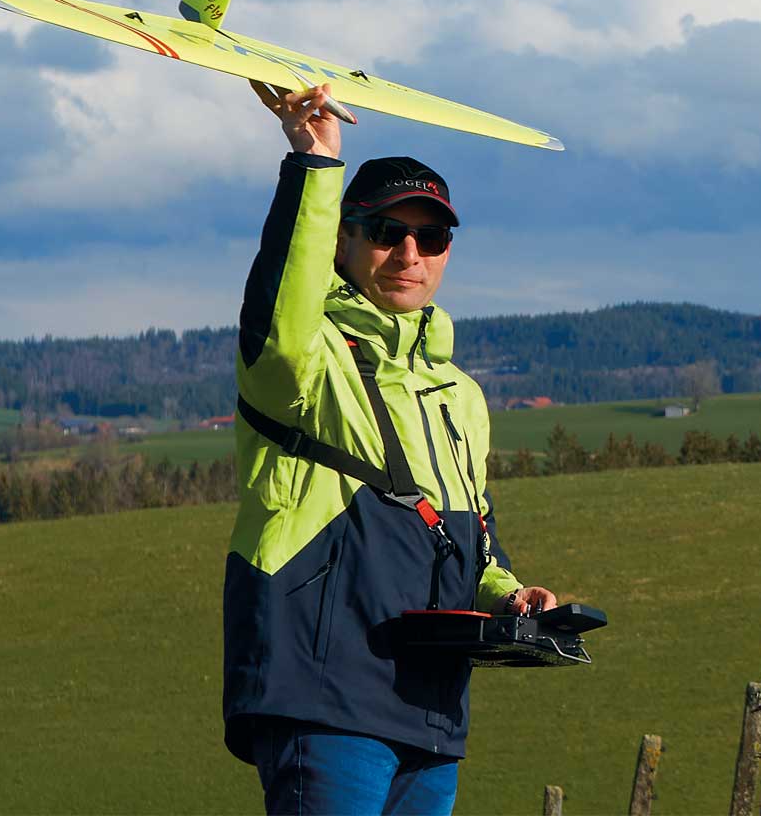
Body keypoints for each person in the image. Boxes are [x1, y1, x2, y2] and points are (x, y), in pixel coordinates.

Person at [223, 82, 558, 816]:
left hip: (431, 709)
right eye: (385, 231)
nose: (409, 252)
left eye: (430, 238)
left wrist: (512, 597)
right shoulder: (307, 359)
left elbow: (474, 538)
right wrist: (314, 168)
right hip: (324, 690)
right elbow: (281, 306)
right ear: (343, 240)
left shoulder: (460, 394)